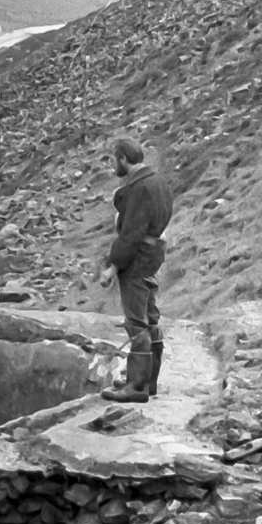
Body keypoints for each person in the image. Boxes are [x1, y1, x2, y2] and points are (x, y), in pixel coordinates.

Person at [103, 135, 173, 400]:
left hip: (138, 258)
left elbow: (130, 234)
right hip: (154, 254)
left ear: (123, 158)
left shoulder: (138, 189)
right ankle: (149, 381)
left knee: (136, 321)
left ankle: (137, 386)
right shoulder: (159, 182)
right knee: (151, 317)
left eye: (114, 159)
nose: (114, 165)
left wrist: (113, 266)